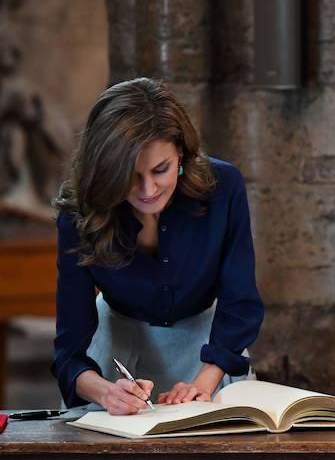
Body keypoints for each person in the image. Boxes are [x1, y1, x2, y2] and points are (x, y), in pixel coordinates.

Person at [51, 78, 263, 415]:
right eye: (130, 176)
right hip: (114, 349)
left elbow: (240, 303)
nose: (147, 189)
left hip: (212, 349)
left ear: (180, 152)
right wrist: (107, 393)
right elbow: (69, 353)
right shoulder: (80, 215)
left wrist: (204, 381)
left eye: (160, 170)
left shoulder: (224, 188)